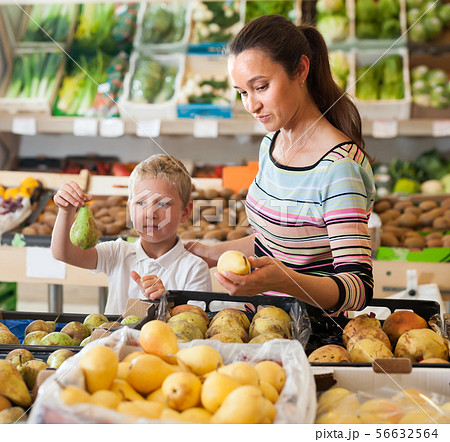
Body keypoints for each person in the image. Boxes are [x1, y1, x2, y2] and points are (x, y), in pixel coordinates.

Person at [187, 15, 375, 316]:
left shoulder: (338, 169)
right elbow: (275, 242)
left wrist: (284, 281)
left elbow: (358, 289)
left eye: (260, 87)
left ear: (300, 70)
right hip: (261, 324)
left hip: (313, 341)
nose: (251, 105)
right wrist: (204, 253)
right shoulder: (271, 143)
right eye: (242, 93)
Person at [51, 154, 212, 315]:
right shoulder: (117, 252)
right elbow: (63, 253)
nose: (150, 213)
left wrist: (166, 303)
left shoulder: (194, 269)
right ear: (130, 209)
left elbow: (195, 325)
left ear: (186, 212)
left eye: (163, 203)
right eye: (141, 203)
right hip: (114, 340)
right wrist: (66, 210)